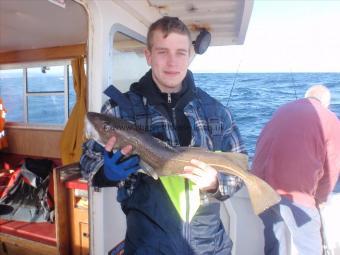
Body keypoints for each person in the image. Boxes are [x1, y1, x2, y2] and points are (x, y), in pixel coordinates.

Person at [80, 16, 247, 255]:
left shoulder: (217, 111)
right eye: (162, 52)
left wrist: (215, 184)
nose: (172, 62)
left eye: (180, 52)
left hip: (210, 247)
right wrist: (105, 173)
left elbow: (240, 169)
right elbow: (87, 164)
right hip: (147, 246)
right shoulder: (117, 109)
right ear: (148, 56)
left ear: (190, 55)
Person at [252, 84, 340, 255]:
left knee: (275, 246)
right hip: (296, 195)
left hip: (261, 191)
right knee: (310, 247)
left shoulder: (282, 110)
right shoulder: (330, 119)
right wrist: (320, 199)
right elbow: (332, 167)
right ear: (326, 104)